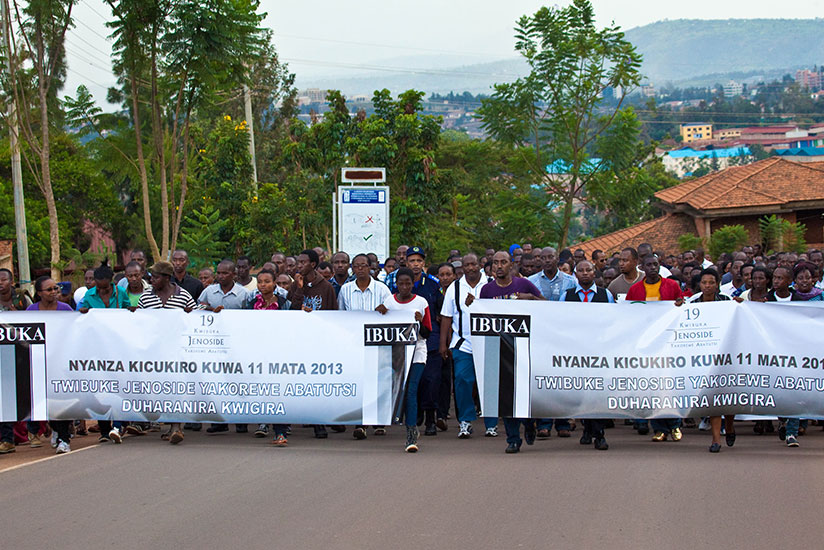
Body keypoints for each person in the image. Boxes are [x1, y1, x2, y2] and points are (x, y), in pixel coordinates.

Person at [481, 251, 542, 453]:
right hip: (499, 348)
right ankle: (513, 438)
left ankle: (530, 422)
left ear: (511, 265)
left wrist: (530, 298)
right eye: (496, 263)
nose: (499, 266)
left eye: (503, 262)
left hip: (524, 348)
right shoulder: (486, 290)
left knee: (525, 392)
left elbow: (547, 306)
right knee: (505, 396)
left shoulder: (523, 285)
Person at [439, 253, 498, 438]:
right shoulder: (455, 287)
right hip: (462, 342)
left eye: (474, 264)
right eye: (467, 265)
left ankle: (491, 423)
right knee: (462, 380)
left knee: (490, 383)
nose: (471, 268)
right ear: (461, 268)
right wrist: (443, 344)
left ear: (479, 265)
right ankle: (465, 421)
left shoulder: (491, 283)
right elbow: (447, 317)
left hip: (489, 342)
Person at [137, 262, 196, 444]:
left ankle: (176, 427)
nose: (151, 280)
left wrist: (192, 313)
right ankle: (163, 423)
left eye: (155, 277)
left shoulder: (183, 295)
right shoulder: (146, 296)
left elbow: (195, 318)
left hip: (177, 350)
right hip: (153, 351)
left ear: (166, 278)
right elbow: (138, 321)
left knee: (176, 387)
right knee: (160, 389)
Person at [626, 254, 684, 440]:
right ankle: (659, 428)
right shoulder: (635, 289)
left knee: (671, 385)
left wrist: (679, 305)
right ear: (643, 267)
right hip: (646, 343)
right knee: (653, 386)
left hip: (669, 341)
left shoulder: (672, 286)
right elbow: (626, 314)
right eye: (649, 265)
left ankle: (675, 425)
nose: (653, 268)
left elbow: (682, 309)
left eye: (656, 265)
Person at [77, 261, 134, 443]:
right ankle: (104, 430)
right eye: (98, 286)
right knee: (100, 387)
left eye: (105, 286)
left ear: (110, 282)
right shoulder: (89, 294)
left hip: (118, 348)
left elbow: (128, 312)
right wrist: (84, 311)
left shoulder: (121, 293)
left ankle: (117, 426)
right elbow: (80, 315)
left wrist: (130, 311)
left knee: (119, 387)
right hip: (97, 349)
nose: (101, 290)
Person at [376, 268, 431, 452]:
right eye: (401, 283)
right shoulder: (390, 302)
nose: (405, 287)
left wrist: (421, 321)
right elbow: (381, 329)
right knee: (400, 389)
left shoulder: (421, 303)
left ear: (413, 283)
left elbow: (427, 333)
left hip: (417, 352)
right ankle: (407, 424)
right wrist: (380, 312)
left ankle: (411, 431)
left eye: (408, 283)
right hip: (397, 353)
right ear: (396, 284)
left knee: (411, 390)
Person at [560, 260, 613, 450]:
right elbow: (559, 321)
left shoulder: (604, 294)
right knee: (581, 393)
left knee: (596, 392)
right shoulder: (567, 296)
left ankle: (599, 434)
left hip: (598, 352)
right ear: (575, 274)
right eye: (580, 271)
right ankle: (587, 428)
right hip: (575, 352)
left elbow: (613, 321)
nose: (584, 273)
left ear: (594, 273)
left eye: (588, 270)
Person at [338, 254, 391, 440]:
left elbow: (391, 314)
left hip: (377, 343)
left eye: (364, 266)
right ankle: (361, 422)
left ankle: (379, 421)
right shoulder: (345, 290)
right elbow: (341, 316)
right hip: (355, 343)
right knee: (360, 382)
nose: (360, 269)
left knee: (379, 381)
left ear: (370, 267)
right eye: (356, 266)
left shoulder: (382, 289)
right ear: (352, 268)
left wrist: (385, 311)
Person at [287, 249, 338, 438]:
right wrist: (299, 289)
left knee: (317, 383)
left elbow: (334, 315)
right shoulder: (295, 285)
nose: (299, 265)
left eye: (303, 262)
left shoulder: (325, 287)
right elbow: (290, 310)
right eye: (298, 262)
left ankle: (319, 423)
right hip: (298, 341)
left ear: (313, 265)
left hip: (319, 341)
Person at [199, 260, 253, 433]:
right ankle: (219, 422)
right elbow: (198, 307)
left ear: (233, 275)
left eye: (225, 273)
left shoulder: (244, 294)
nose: (221, 276)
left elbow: (249, 316)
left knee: (238, 382)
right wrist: (209, 309)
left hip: (238, 344)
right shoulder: (209, 291)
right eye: (219, 273)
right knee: (218, 381)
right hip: (215, 344)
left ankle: (241, 421)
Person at [528, 247, 576, 439]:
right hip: (540, 337)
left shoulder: (571, 281)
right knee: (543, 381)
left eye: (551, 257)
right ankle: (544, 423)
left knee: (562, 381)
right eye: (544, 258)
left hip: (564, 338)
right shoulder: (531, 281)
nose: (547, 260)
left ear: (557, 259)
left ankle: (563, 422)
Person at [684, 269, 734, 452]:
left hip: (726, 356)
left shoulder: (727, 302)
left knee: (728, 398)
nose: (707, 286)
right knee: (714, 397)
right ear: (700, 284)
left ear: (717, 284)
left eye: (711, 282)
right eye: (704, 282)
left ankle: (729, 426)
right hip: (705, 358)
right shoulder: (694, 304)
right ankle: (715, 439)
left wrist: (741, 306)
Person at [27, 276, 74, 454]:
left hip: (61, 364)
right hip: (40, 364)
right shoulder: (31, 311)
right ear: (39, 293)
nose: (54, 292)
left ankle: (64, 439)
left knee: (61, 401)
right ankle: (55, 428)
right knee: (45, 403)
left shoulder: (65, 309)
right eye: (49, 289)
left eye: (56, 288)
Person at [248, 268, 290, 444]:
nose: (263, 285)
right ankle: (263, 423)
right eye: (260, 282)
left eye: (267, 281)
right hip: (257, 353)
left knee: (278, 391)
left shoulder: (284, 303)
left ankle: (281, 432)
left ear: (274, 284)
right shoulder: (251, 303)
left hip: (279, 353)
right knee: (261, 390)